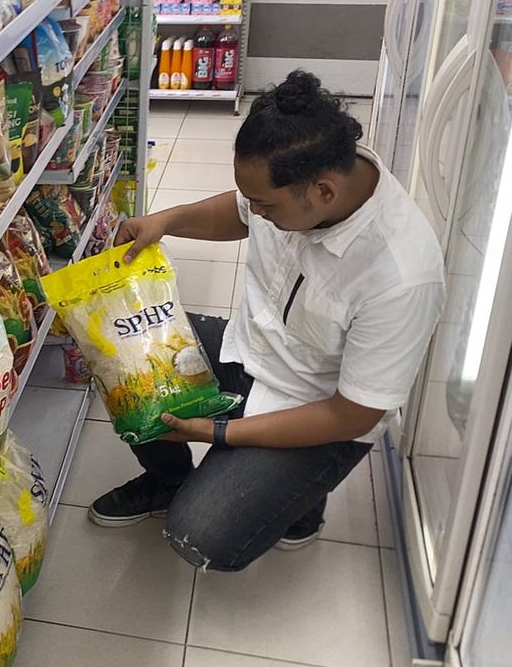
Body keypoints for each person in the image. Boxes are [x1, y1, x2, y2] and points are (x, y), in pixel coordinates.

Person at [90, 70, 445, 570]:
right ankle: (169, 481)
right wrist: (165, 221)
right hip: (246, 350)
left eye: (265, 204)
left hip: (316, 408)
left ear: (323, 192)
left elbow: (353, 415)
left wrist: (216, 434)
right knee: (122, 347)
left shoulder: (402, 275)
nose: (255, 212)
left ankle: (298, 505)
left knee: (200, 535)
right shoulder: (300, 183)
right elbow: (238, 211)